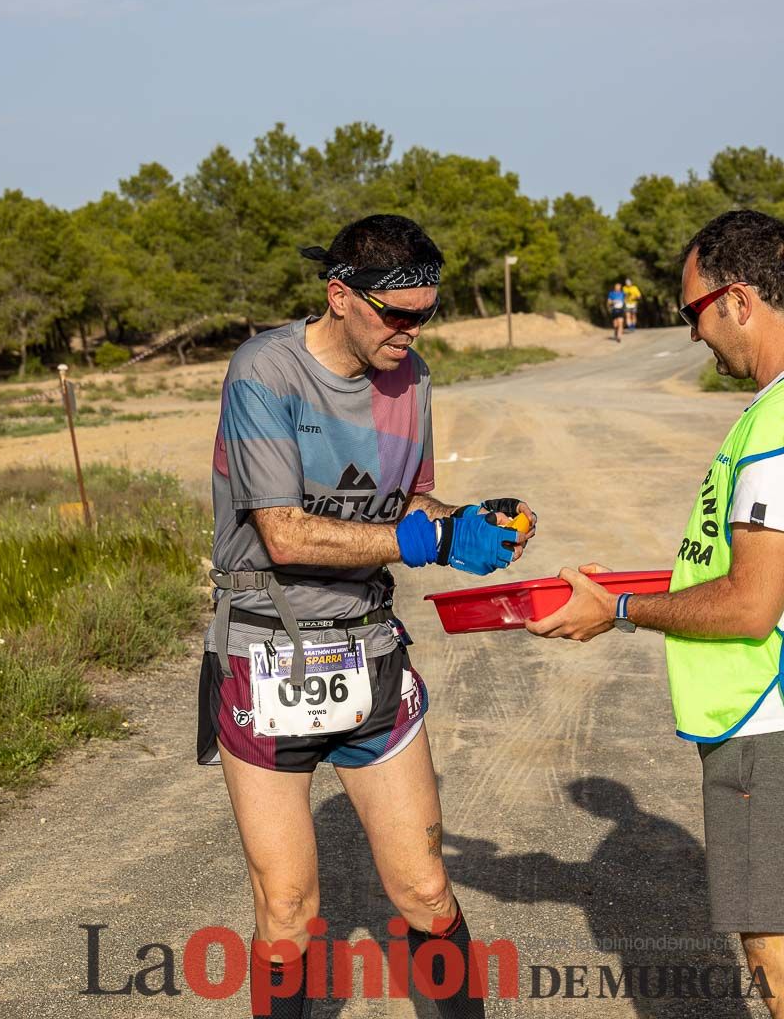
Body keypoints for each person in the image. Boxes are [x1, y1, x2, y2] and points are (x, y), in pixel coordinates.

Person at [198, 213, 537, 1018]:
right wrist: (423, 539)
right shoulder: (264, 371)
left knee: (425, 890)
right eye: (398, 315)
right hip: (265, 654)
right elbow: (281, 532)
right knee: (289, 908)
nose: (413, 332)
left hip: (370, 646)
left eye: (426, 314)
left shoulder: (412, 379)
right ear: (339, 295)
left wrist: (468, 523)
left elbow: (411, 503)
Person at [528, 209, 784, 1016]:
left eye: (693, 312)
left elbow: (749, 606)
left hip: (763, 717)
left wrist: (624, 610)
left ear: (738, 300)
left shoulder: (774, 425)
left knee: (774, 947)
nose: (694, 336)